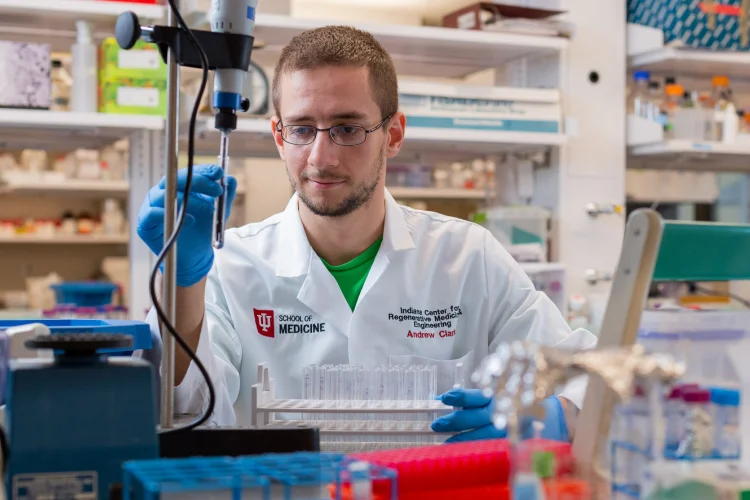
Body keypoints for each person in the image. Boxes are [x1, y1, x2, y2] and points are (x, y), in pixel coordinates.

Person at [137, 25, 597, 441]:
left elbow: (592, 377)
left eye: (347, 128)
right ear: (278, 136)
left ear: (393, 134)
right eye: (301, 129)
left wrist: (549, 415)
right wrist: (179, 280)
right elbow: (187, 412)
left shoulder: (465, 256)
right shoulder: (230, 263)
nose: (321, 157)